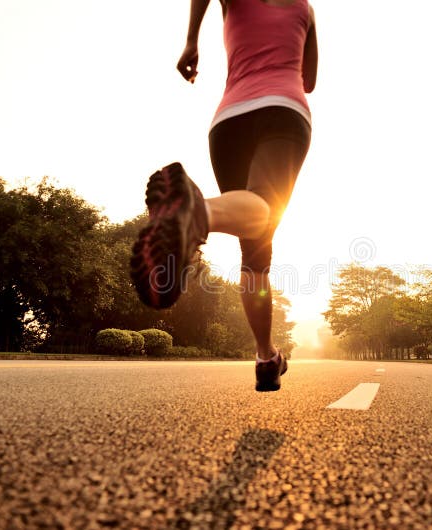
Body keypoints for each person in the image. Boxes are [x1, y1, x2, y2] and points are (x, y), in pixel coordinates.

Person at [130, 0, 317, 392]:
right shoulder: (305, 8)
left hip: (229, 121)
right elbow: (309, 79)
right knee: (262, 211)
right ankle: (201, 215)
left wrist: (191, 41)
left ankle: (266, 356)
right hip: (283, 109)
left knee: (254, 249)